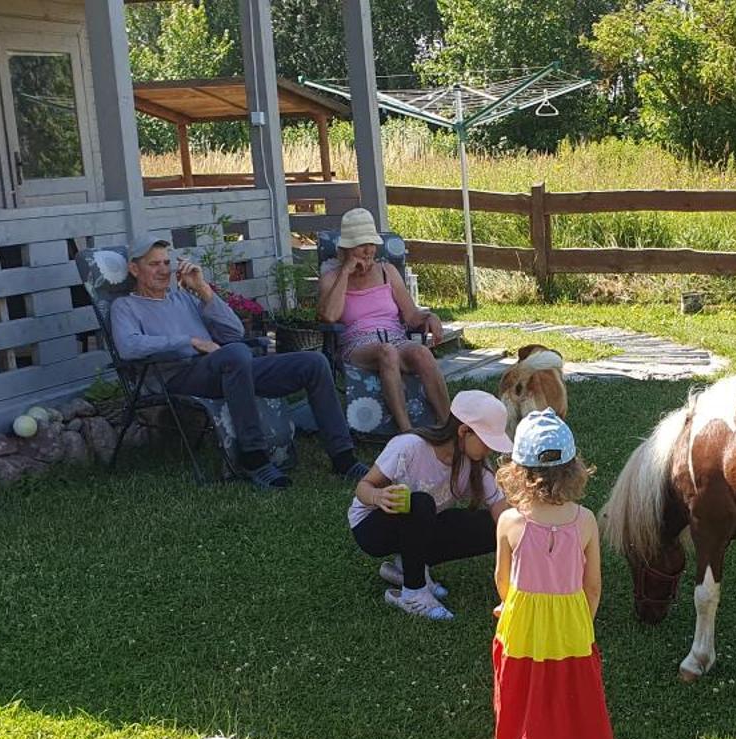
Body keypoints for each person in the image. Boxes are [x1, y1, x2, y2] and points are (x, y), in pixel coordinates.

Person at [110, 240, 368, 488]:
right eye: (154, 264)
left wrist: (203, 290)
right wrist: (190, 341)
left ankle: (343, 457)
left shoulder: (184, 299)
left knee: (313, 362)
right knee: (235, 354)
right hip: (178, 377)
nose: (164, 270)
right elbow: (128, 346)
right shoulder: (125, 306)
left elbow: (233, 332)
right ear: (134, 269)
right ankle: (254, 457)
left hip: (229, 368)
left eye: (167, 263)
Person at [488, 409, 615, 739]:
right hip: (572, 636)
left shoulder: (510, 521)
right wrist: (581, 623)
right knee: (575, 710)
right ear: (574, 468)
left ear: (517, 470)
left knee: (526, 700)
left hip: (522, 633)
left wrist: (512, 608)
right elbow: (593, 585)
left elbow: (502, 580)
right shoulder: (585, 521)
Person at [350, 390, 513, 620]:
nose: (491, 449)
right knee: (420, 504)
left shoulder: (475, 464)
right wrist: (378, 496)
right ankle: (413, 592)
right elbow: (363, 486)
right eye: (487, 442)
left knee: (497, 526)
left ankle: (407, 568)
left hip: (419, 525)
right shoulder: (410, 446)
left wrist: (526, 549)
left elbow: (501, 512)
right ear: (464, 431)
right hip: (371, 528)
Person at [318, 207, 450, 433]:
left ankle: (448, 426)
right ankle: (407, 432)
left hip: (395, 337)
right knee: (387, 351)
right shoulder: (332, 277)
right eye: (361, 244)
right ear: (347, 248)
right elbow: (329, 316)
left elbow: (410, 315)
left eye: (371, 243)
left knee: (421, 352)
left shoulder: (387, 271)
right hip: (357, 345)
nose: (369, 250)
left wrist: (430, 316)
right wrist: (346, 271)